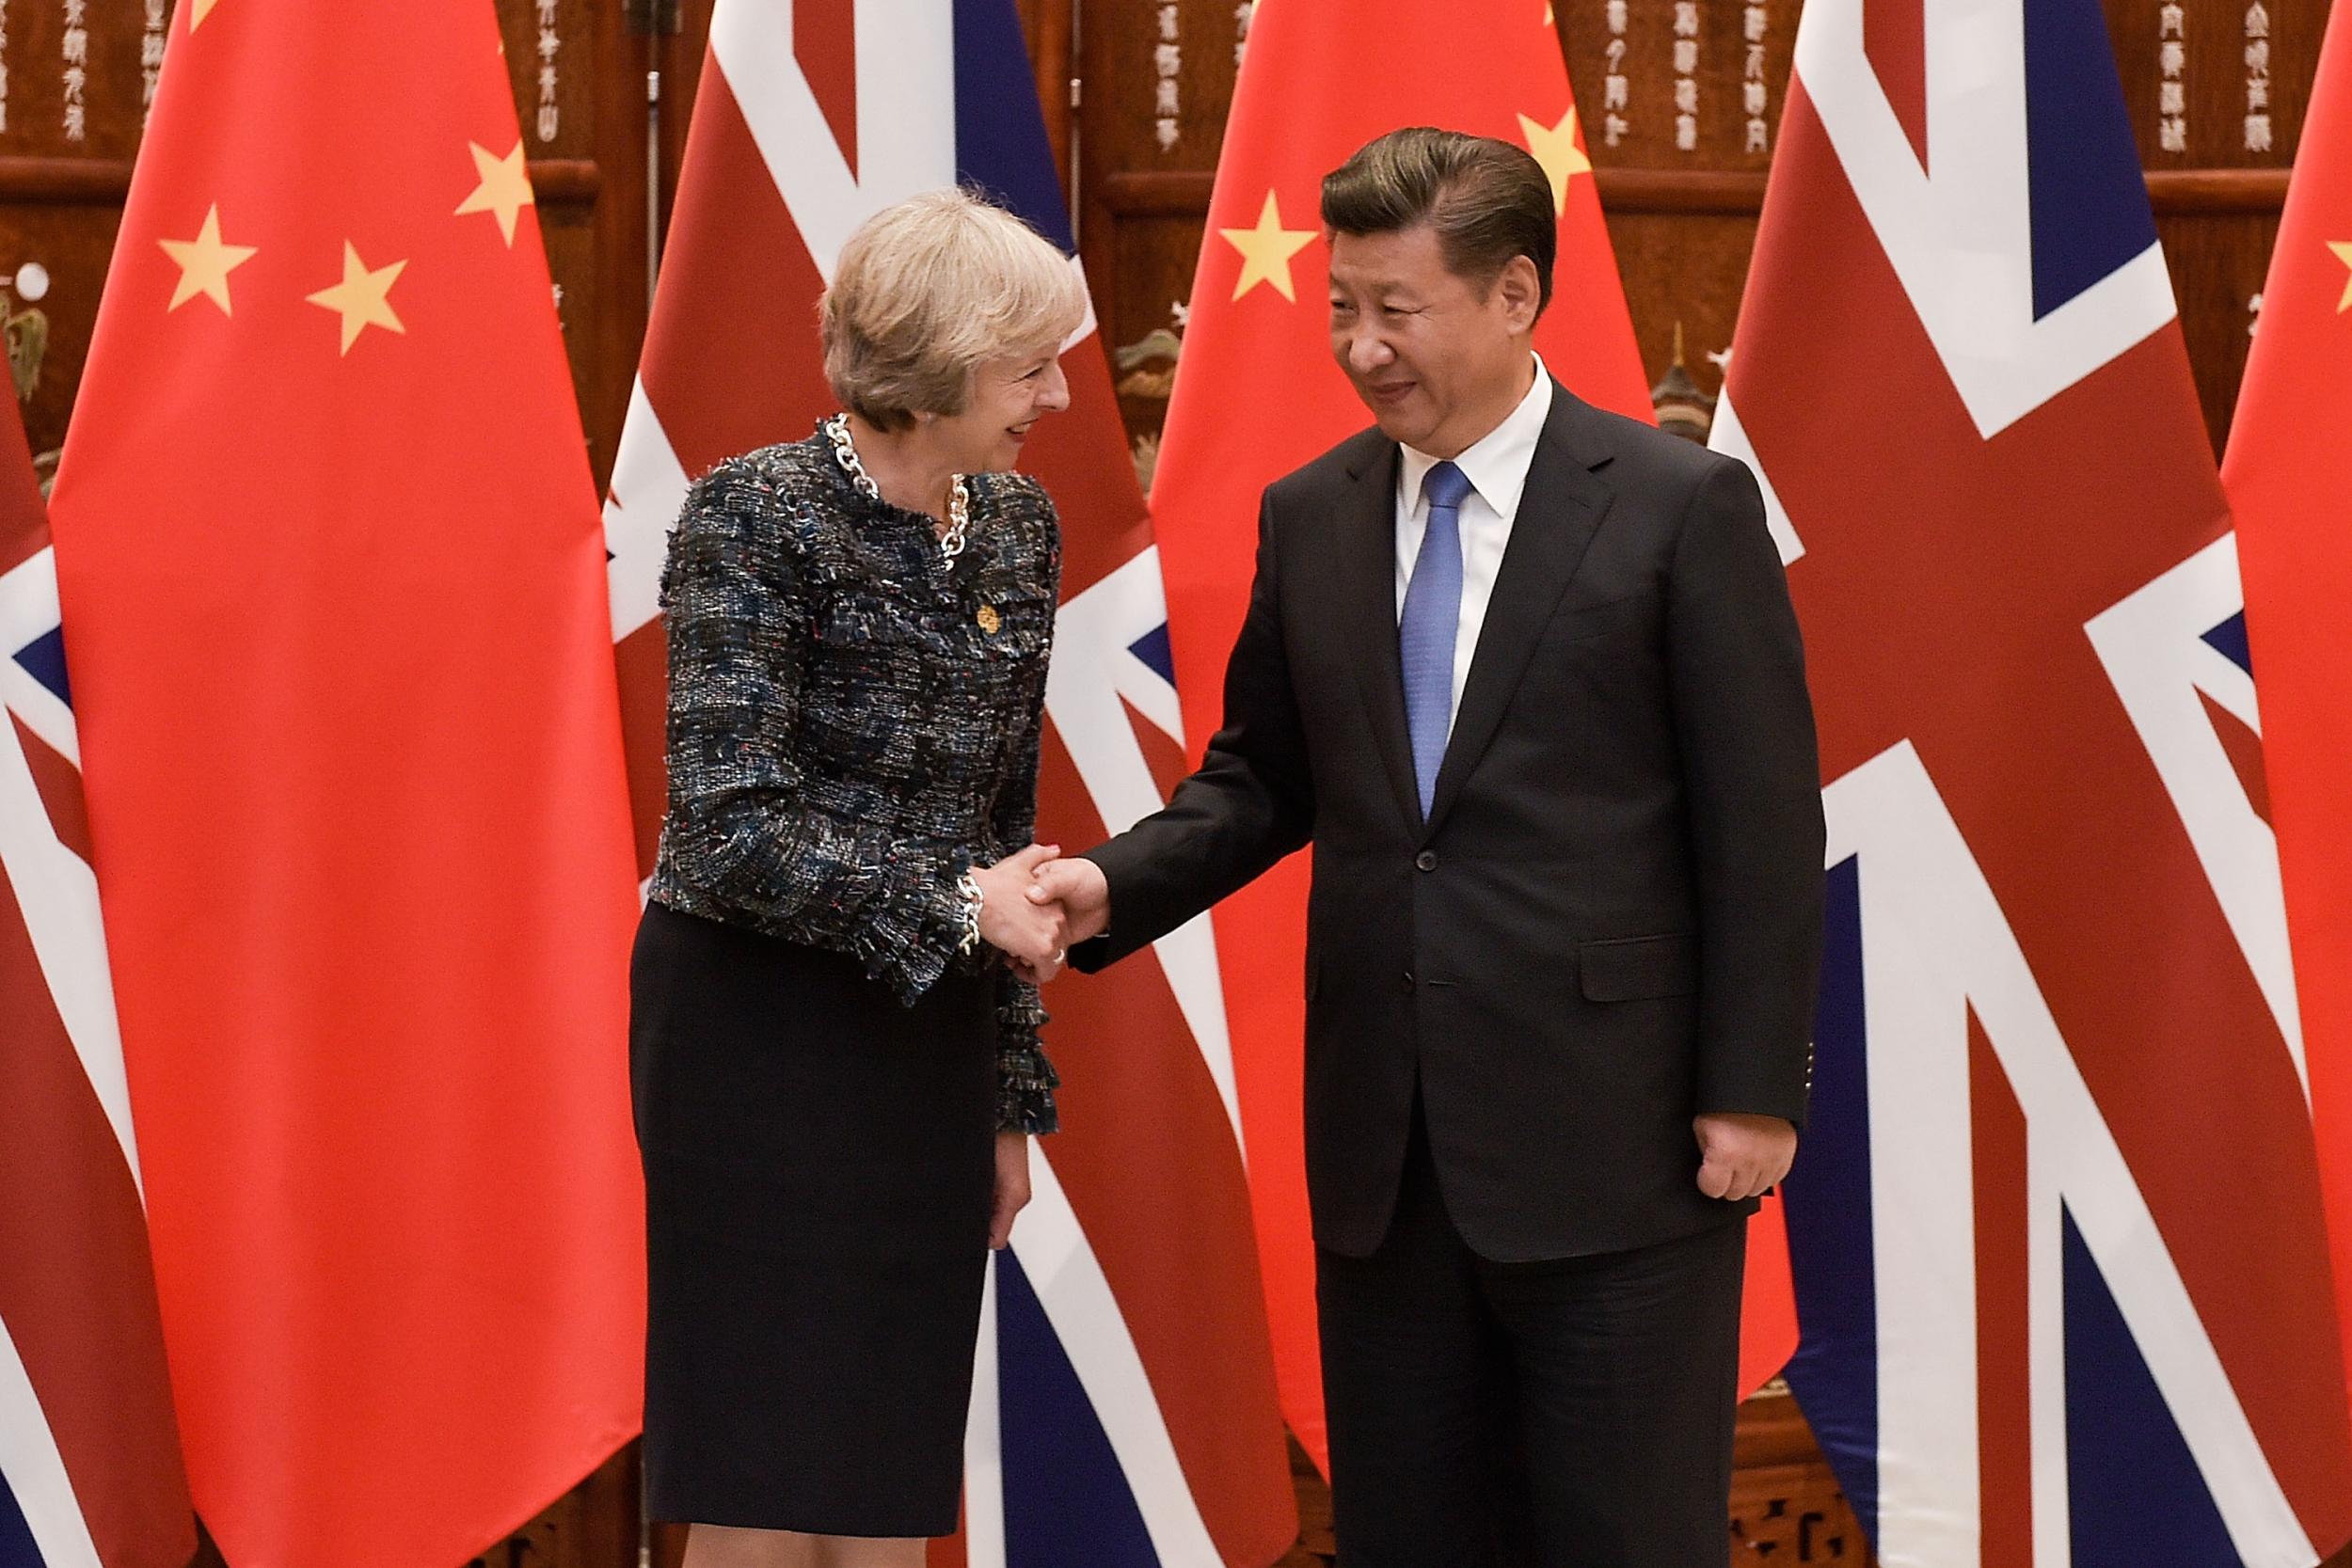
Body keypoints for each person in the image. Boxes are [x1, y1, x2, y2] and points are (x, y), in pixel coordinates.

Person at [1030, 128, 1826, 1567]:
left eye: (1397, 309)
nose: (1362, 346)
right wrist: (1104, 884)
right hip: (1389, 1162)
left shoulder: (1674, 507)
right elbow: (1262, 782)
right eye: (1342, 307)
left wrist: (1754, 1092)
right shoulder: (1313, 514)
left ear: (1515, 296)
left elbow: (1763, 824)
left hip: (1624, 1151)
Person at [629, 188, 1079, 1568]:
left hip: (925, 1042)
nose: (1058, 395)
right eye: (1031, 366)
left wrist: (1005, 1103)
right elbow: (726, 824)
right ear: (938, 368)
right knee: (769, 1471)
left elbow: (1003, 825)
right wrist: (957, 901)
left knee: (888, 1474)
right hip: (755, 1037)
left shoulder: (1016, 527)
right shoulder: (753, 512)